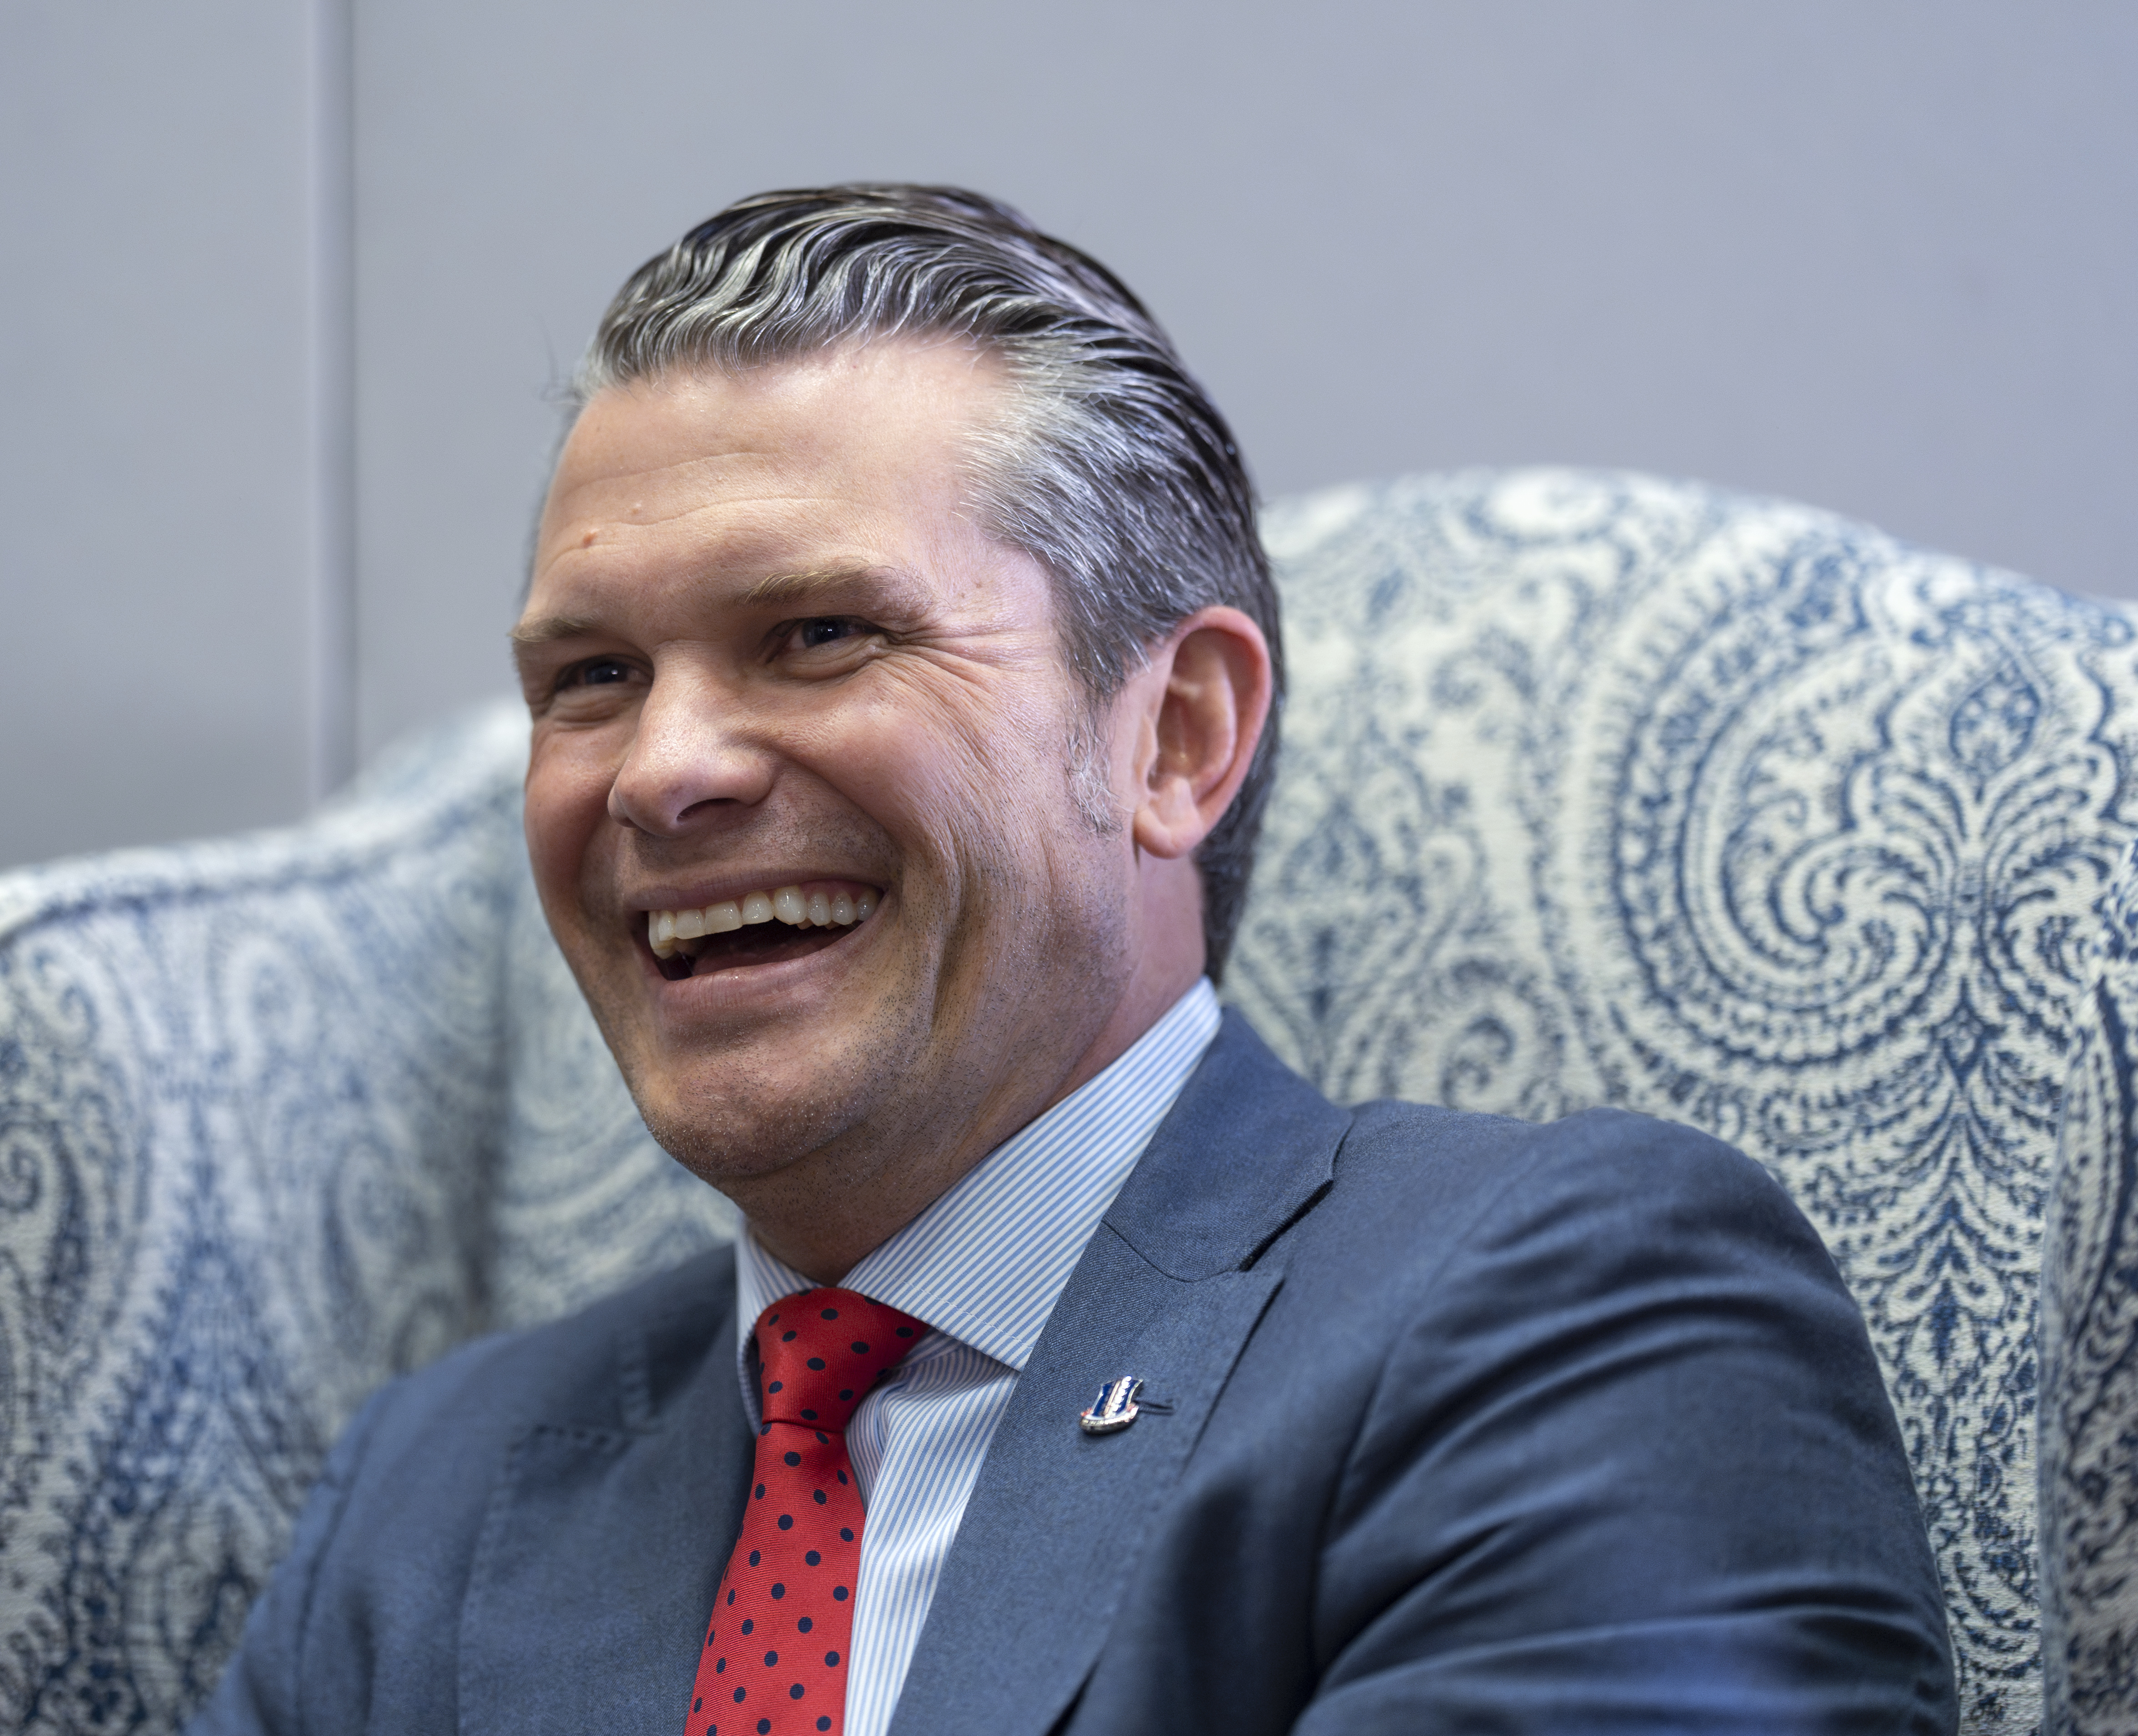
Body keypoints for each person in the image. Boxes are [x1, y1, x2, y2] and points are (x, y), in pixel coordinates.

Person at [190, 185, 1952, 1736]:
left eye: (818, 635)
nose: (662, 771)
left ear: (1174, 734)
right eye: (590, 681)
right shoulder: (434, 1490)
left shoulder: (1568, 1312)